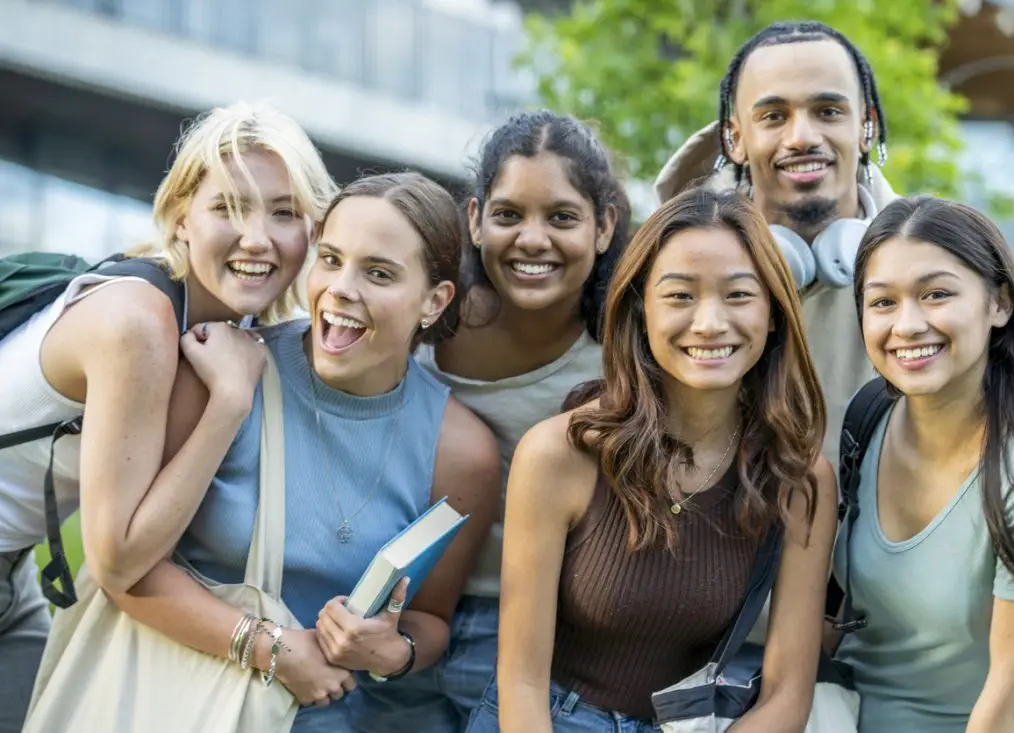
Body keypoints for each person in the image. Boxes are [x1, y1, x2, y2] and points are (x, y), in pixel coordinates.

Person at [104, 172, 502, 732]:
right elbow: (126, 571)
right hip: (167, 703)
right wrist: (271, 648)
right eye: (331, 259)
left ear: (434, 301)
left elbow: (431, 620)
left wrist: (392, 651)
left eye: (379, 273)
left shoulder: (462, 453)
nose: (341, 288)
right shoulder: (222, 370)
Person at [0, 101, 336, 733]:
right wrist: (230, 402)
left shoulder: (205, 319)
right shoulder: (140, 321)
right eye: (228, 208)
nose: (257, 236)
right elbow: (119, 560)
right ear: (181, 220)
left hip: (12, 575)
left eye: (284, 211)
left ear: (312, 232)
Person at [469, 186, 835, 732]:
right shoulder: (558, 455)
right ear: (640, 312)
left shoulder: (799, 479)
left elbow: (786, 695)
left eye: (738, 295)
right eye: (680, 296)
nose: (709, 323)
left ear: (775, 314)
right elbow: (520, 680)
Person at [361, 110, 629, 731]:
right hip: (396, 614)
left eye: (562, 217)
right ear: (476, 220)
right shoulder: (427, 318)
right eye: (509, 215)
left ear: (605, 225)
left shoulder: (626, 346)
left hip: (544, 640)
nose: (533, 240)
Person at [833, 196, 1014, 732]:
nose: (907, 325)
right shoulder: (868, 417)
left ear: (999, 304)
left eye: (936, 295)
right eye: (882, 302)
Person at [654, 20, 899, 464]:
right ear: (735, 138)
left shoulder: (942, 264)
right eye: (773, 116)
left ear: (866, 126)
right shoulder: (659, 264)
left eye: (828, 111)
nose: (802, 137)